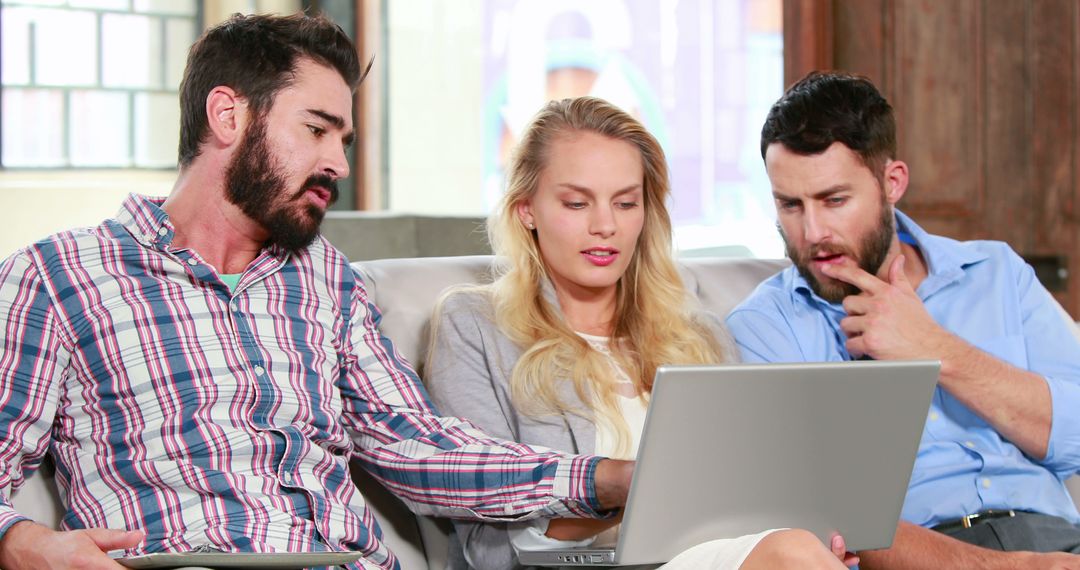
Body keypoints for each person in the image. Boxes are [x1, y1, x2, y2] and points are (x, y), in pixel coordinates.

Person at [0, 13, 639, 570]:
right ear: (228, 115)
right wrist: (25, 542)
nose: (339, 162)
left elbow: (416, 444)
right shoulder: (59, 278)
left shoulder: (324, 277)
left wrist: (609, 479)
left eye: (345, 140)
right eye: (316, 130)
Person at [425, 96, 855, 570]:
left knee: (797, 546)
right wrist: (626, 493)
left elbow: (742, 500)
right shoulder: (474, 326)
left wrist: (801, 526)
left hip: (709, 557)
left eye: (626, 203)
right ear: (526, 209)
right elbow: (488, 545)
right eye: (576, 202)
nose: (605, 226)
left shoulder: (699, 335)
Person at [726, 70, 1080, 568]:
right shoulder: (767, 327)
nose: (813, 231)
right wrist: (1015, 567)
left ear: (892, 183)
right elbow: (819, 521)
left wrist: (935, 349)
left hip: (1062, 540)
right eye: (790, 205)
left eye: (834, 200)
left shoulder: (995, 273)